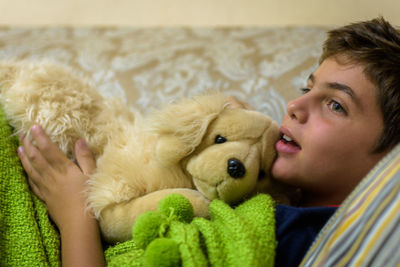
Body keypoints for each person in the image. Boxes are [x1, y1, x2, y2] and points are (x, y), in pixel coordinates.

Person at [17, 17, 400, 267]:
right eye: (307, 87)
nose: (295, 105)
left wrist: (75, 215)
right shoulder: (264, 193)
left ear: (389, 159)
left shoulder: (307, 237)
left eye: (335, 104)